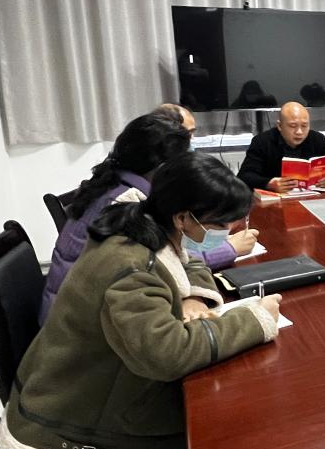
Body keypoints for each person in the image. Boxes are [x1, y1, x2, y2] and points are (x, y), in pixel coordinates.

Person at [0, 153, 280, 449]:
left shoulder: (144, 222)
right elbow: (166, 355)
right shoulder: (130, 267)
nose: (225, 233)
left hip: (72, 393)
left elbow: (187, 260)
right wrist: (255, 320)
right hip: (74, 431)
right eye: (220, 224)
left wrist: (194, 296)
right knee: (221, 446)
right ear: (183, 217)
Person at [40, 114, 259, 322]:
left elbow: (179, 256)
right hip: (83, 324)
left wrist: (195, 296)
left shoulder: (115, 182)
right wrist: (229, 249)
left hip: (80, 312)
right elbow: (168, 259)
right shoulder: (126, 204)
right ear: (164, 169)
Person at [237, 101, 325, 192]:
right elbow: (245, 176)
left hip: (312, 199)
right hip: (276, 202)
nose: (299, 132)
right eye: (292, 126)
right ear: (280, 126)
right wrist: (269, 183)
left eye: (304, 126)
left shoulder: (317, 139)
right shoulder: (262, 141)